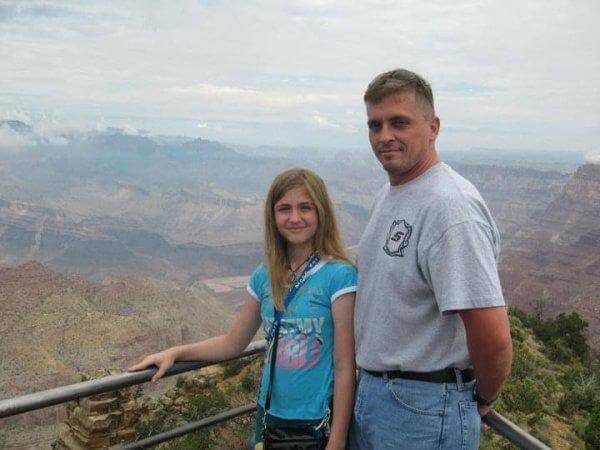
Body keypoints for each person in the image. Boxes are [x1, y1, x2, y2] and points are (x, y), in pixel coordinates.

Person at [129, 168, 357, 450]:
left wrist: (337, 440)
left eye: (305, 208)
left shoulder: (339, 276)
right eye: (284, 209)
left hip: (317, 421)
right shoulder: (264, 276)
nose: (295, 218)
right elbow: (233, 342)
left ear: (321, 212)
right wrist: (175, 353)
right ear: (273, 217)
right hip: (269, 417)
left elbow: (345, 366)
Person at [350, 69, 513, 449]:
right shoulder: (391, 194)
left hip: (423, 409)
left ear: (433, 127)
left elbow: (492, 335)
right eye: (375, 125)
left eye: (399, 123)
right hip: (377, 396)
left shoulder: (449, 207)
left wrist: (483, 398)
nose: (384, 136)